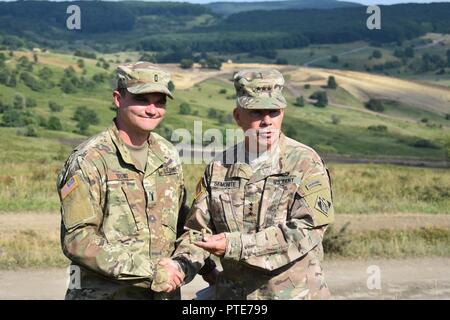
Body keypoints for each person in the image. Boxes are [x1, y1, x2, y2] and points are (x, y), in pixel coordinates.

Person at [153, 68, 335, 299]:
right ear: (238, 116)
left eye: (274, 112)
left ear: (283, 114)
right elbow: (198, 233)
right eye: (257, 112)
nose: (267, 121)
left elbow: (307, 231)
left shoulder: (305, 162)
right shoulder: (219, 167)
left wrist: (234, 245)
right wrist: (179, 267)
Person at [57, 62, 216, 300]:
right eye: (142, 99)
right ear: (118, 99)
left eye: (160, 101)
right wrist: (152, 272)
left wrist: (207, 268)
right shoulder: (90, 159)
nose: (152, 110)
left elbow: (181, 221)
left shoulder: (167, 154)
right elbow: (78, 239)